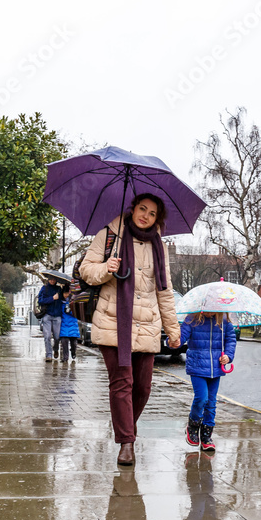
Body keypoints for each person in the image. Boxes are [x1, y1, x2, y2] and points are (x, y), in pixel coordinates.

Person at [79, 192, 181, 466]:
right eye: (142, 209)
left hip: (147, 325)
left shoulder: (159, 246)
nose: (145, 216)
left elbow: (164, 290)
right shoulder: (111, 233)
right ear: (133, 207)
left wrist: (173, 328)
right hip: (113, 322)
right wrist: (106, 268)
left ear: (157, 220)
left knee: (143, 387)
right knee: (122, 383)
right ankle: (126, 443)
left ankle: (126, 427)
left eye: (152, 214)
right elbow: (85, 270)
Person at [180, 311, 236, 453]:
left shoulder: (224, 321)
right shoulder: (192, 319)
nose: (212, 311)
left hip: (216, 368)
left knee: (211, 402)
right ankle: (192, 426)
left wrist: (228, 356)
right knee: (201, 398)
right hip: (197, 366)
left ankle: (206, 436)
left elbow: (230, 339)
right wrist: (174, 341)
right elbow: (181, 338)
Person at [37, 276, 63, 363]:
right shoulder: (44, 289)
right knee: (47, 336)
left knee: (57, 336)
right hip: (47, 315)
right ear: (48, 280)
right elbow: (40, 301)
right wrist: (52, 298)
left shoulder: (59, 289)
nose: (52, 281)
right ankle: (48, 355)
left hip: (57, 315)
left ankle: (56, 349)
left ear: (56, 280)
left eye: (54, 279)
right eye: (50, 279)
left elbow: (65, 298)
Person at [58, 286, 80, 363]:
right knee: (64, 342)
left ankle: (73, 352)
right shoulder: (60, 302)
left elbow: (77, 312)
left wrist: (70, 310)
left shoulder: (73, 301)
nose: (66, 295)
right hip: (63, 325)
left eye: (67, 293)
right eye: (64, 293)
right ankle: (65, 357)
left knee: (73, 343)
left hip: (72, 325)